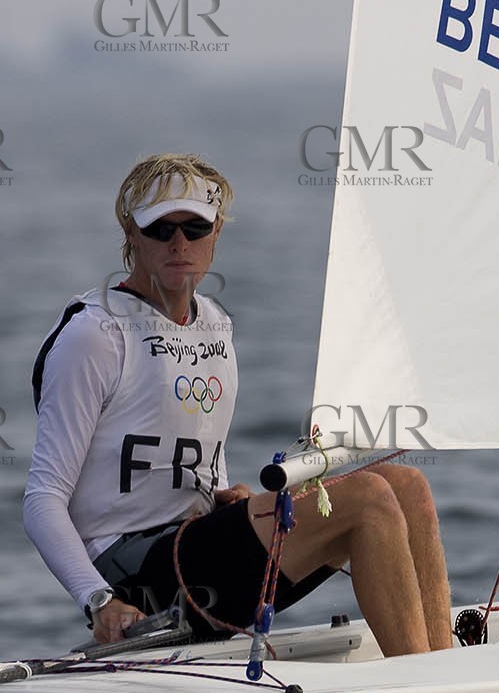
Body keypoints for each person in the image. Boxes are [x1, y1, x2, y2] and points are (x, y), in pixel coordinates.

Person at [23, 153, 452, 656]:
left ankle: (439, 669)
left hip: (193, 547)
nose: (179, 242)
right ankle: (416, 684)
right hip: (136, 575)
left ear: (216, 233)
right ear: (131, 234)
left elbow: (206, 449)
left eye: (195, 227)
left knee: (406, 485)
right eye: (160, 229)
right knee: (369, 498)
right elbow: (42, 499)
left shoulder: (215, 324)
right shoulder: (95, 334)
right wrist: (98, 601)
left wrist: (224, 494)